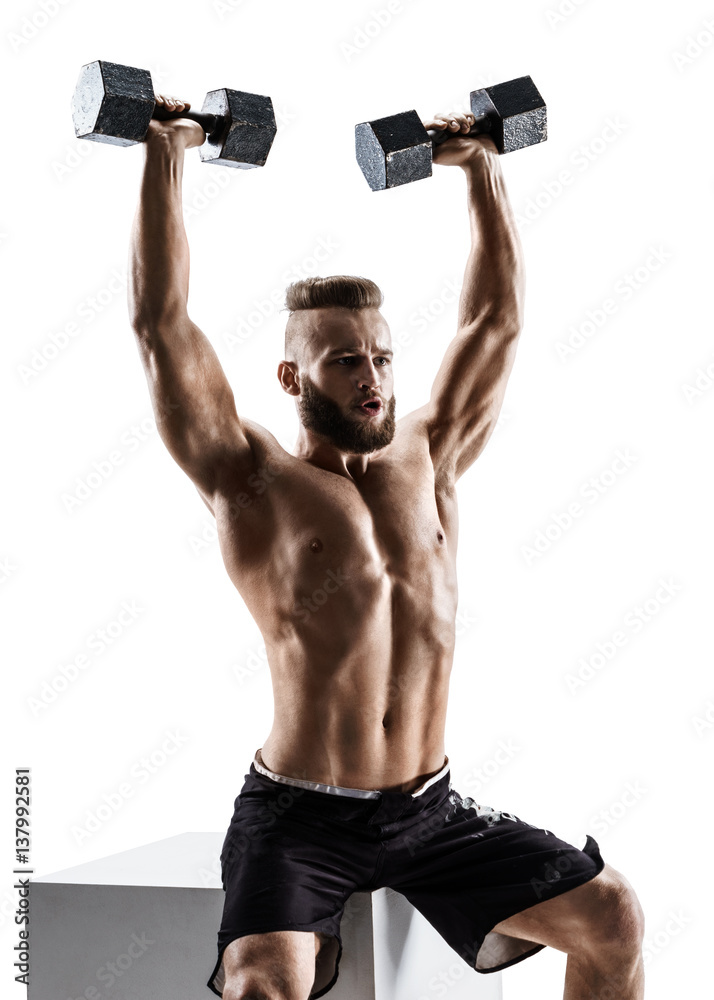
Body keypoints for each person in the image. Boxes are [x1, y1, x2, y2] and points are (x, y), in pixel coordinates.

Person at [127, 93, 645, 1000]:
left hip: (429, 809)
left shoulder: (431, 455)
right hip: (299, 820)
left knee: (614, 919)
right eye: (345, 362)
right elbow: (162, 328)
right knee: (260, 986)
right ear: (292, 377)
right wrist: (167, 154)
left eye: (382, 358)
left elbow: (495, 323)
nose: (373, 381)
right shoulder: (249, 479)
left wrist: (483, 168)